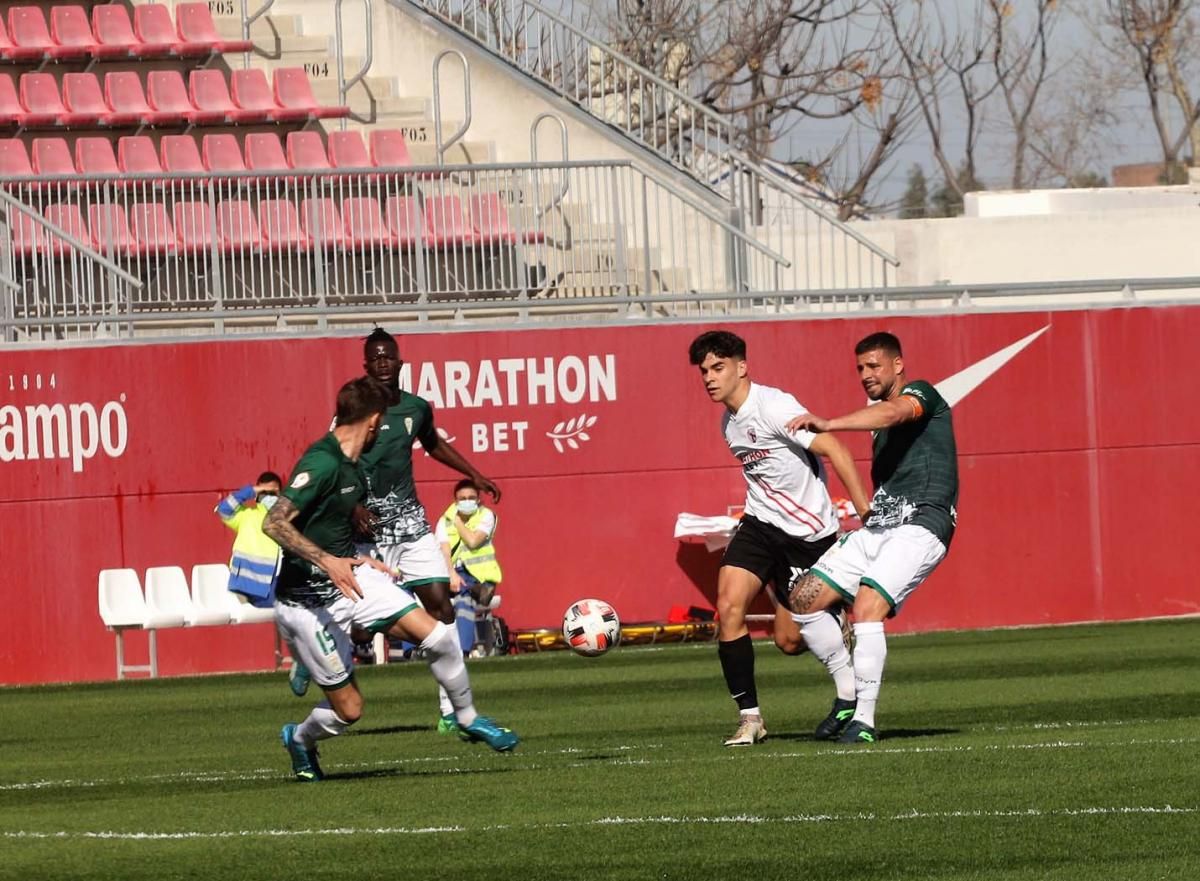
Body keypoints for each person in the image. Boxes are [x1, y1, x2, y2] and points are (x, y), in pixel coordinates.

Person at [263, 376, 518, 782]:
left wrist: (359, 559)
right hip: (308, 604)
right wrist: (327, 560)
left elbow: (327, 525)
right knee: (349, 711)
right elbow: (273, 522)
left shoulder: (352, 465)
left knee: (439, 635)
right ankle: (300, 739)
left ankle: (467, 717)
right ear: (373, 420)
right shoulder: (322, 462)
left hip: (354, 580)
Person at [688, 330, 871, 747]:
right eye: (704, 371)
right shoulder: (728, 423)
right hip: (759, 525)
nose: (710, 378)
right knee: (728, 606)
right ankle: (750, 718)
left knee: (788, 642)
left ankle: (833, 629)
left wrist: (864, 511)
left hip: (809, 535)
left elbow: (835, 450)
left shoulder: (775, 407)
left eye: (718, 367)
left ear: (742, 366)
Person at [785, 331, 958, 745]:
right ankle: (847, 693)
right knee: (803, 599)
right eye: (860, 367)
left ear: (898, 365)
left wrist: (829, 424)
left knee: (866, 609)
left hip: (921, 524)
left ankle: (863, 721)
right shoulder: (878, 429)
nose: (865, 374)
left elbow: (895, 413)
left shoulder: (921, 395)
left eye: (874, 365)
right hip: (880, 527)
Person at [355, 328, 503, 734]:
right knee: (361, 625)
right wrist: (351, 504)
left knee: (443, 606)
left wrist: (474, 473)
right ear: (366, 365)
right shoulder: (354, 406)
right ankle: (320, 645)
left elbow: (433, 444)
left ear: (400, 363)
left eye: (389, 357)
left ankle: (450, 709)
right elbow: (337, 456)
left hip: (411, 524)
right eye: (376, 358)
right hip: (371, 531)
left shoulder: (416, 408)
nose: (383, 364)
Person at [436, 479, 503, 655]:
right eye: (463, 498)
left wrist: (458, 522)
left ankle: (462, 650)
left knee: (463, 599)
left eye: (471, 497)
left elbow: (473, 541)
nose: (467, 501)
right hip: (452, 573)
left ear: (479, 499)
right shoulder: (444, 521)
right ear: (455, 501)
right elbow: (444, 550)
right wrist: (451, 574)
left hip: (478, 576)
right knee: (421, 593)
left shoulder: (486, 515)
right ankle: (412, 651)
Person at [214, 472, 283, 609]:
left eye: (273, 493)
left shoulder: (287, 519)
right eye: (264, 493)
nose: (268, 497)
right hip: (245, 587)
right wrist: (251, 491)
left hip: (274, 586)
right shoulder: (246, 516)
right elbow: (224, 509)